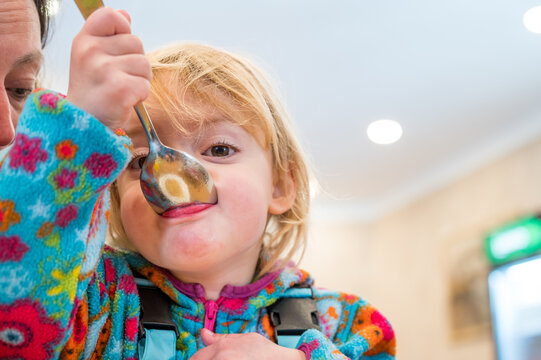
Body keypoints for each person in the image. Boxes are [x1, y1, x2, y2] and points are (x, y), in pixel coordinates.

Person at [0, 6, 396, 360]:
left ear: (280, 186)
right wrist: (78, 129)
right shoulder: (92, 303)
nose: (174, 176)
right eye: (140, 162)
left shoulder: (347, 325)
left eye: (219, 150)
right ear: (116, 195)